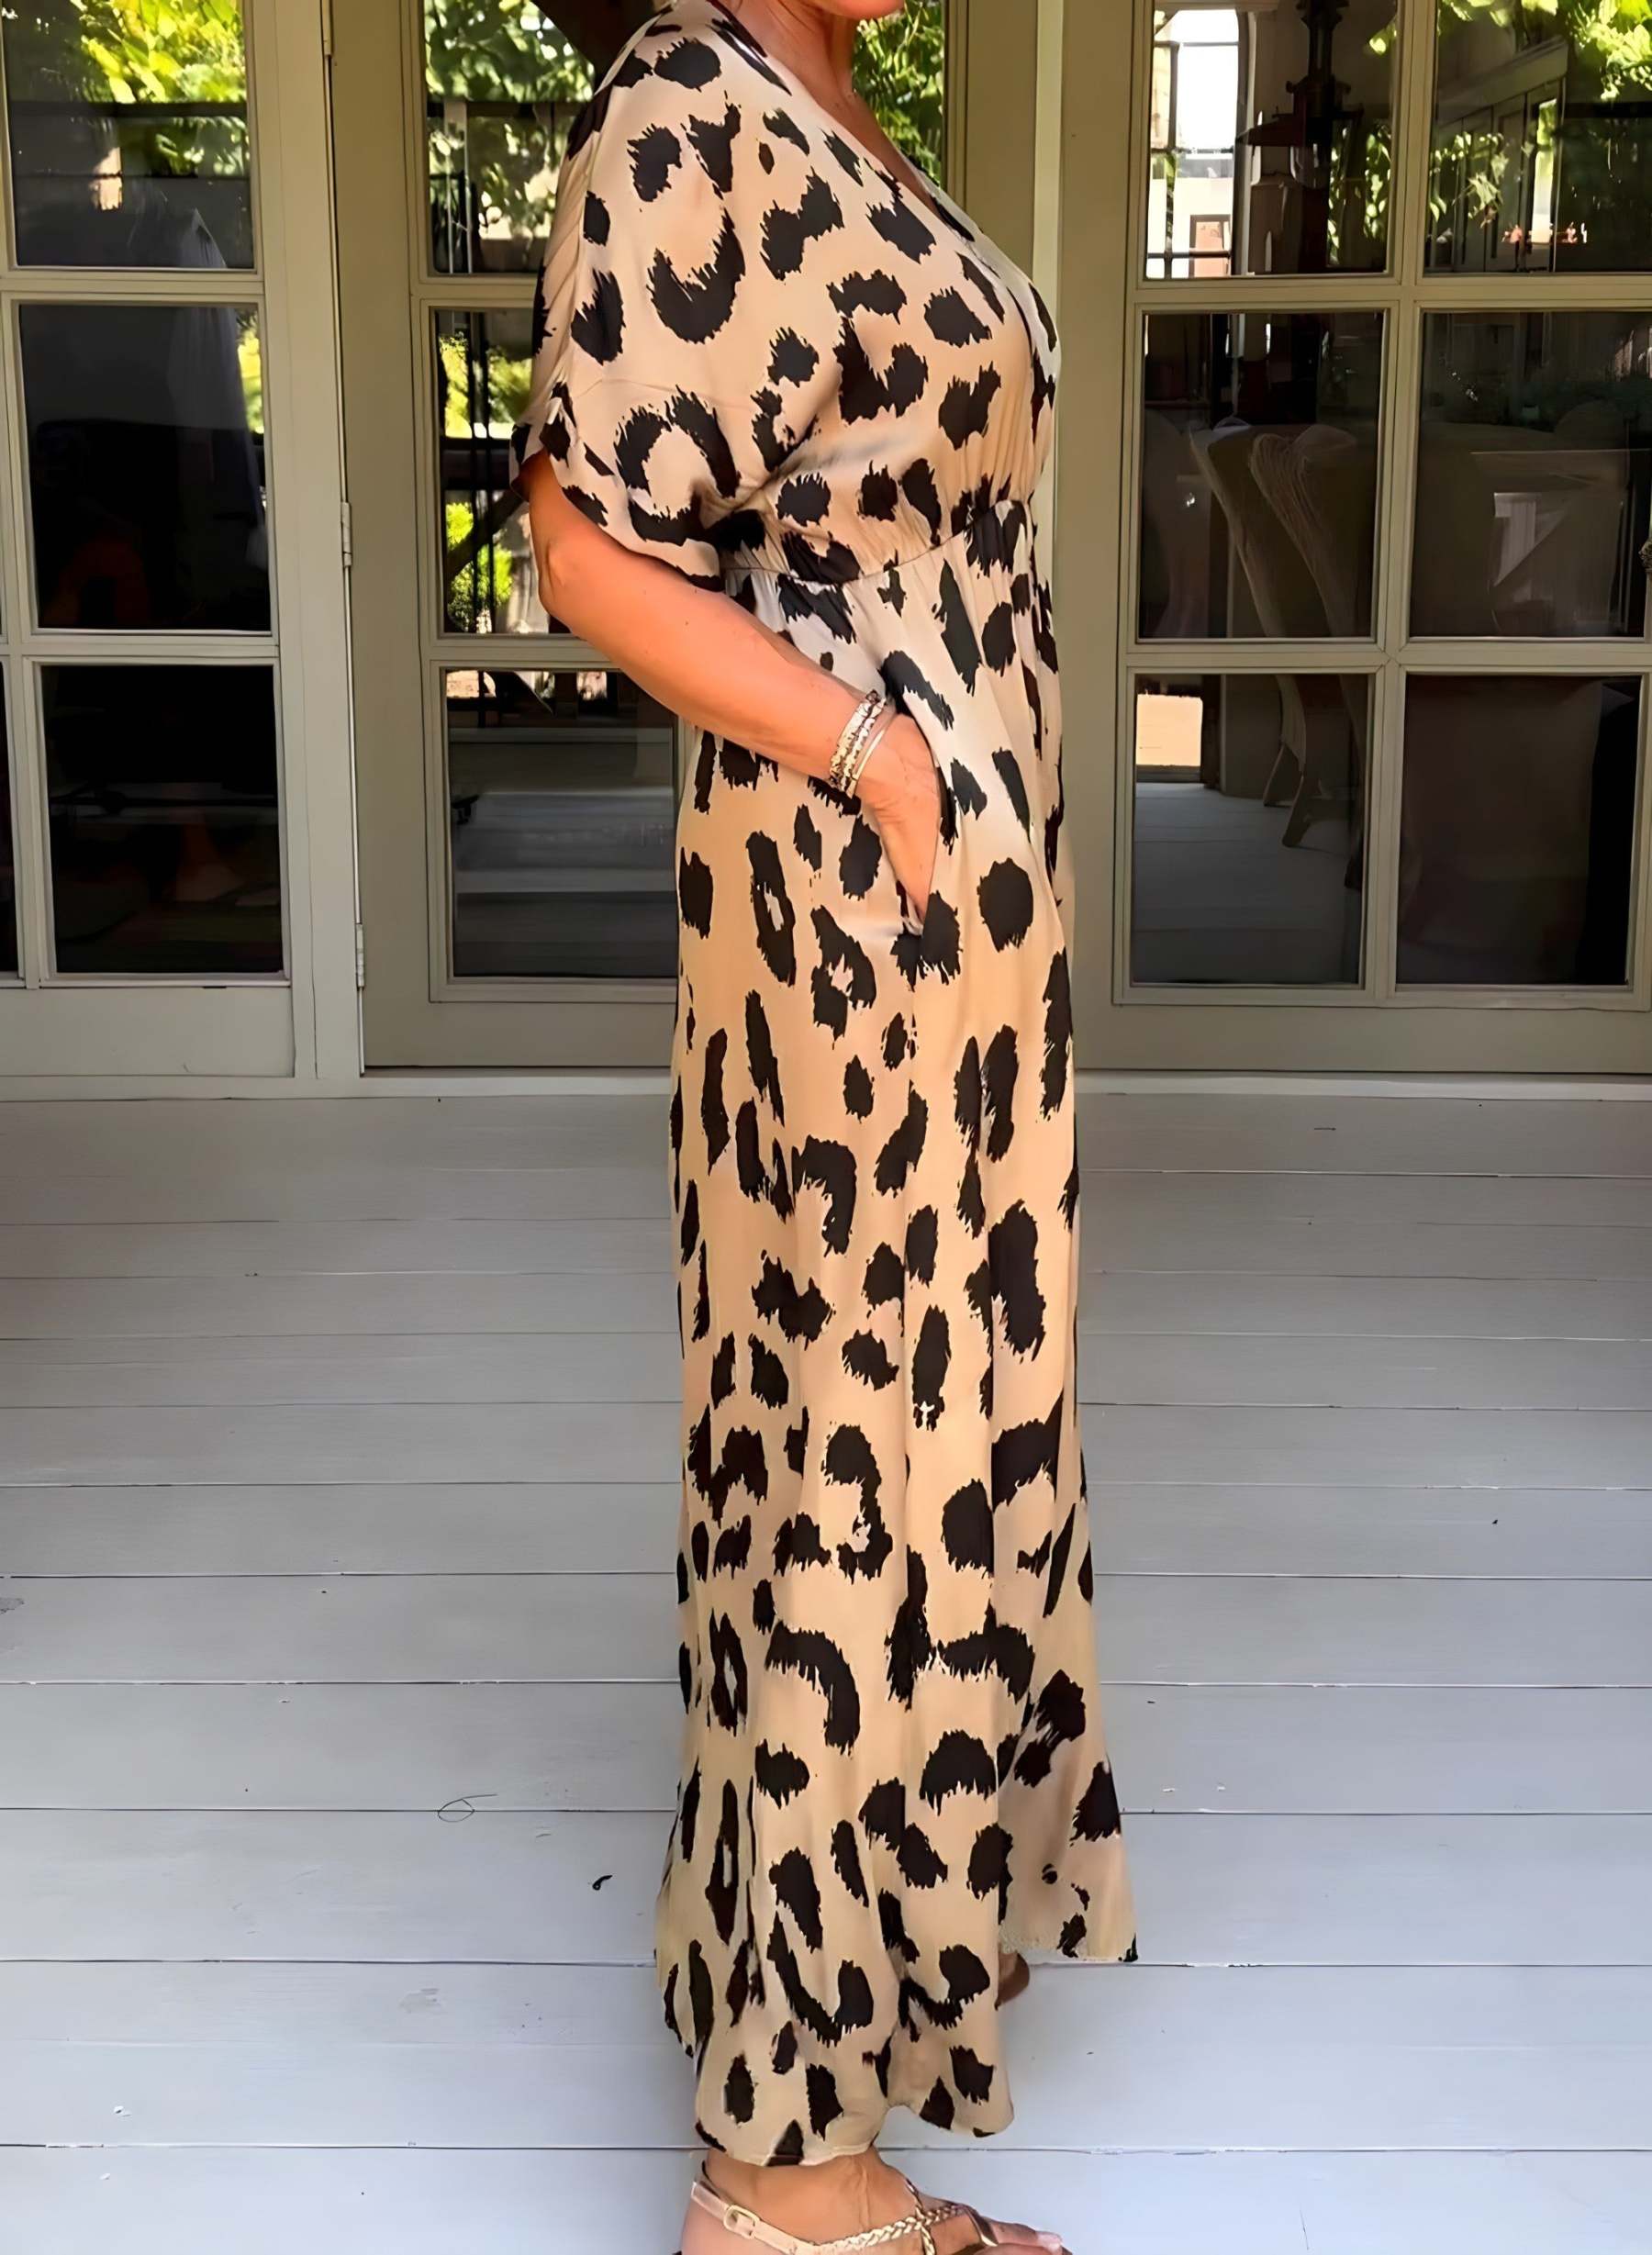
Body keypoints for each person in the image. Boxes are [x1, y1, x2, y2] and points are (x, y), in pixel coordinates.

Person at [512, 4, 1134, 2247]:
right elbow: (585, 548)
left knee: (927, 1429)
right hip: (853, 917)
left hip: (936, 915)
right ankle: (786, 2172)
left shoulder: (826, 99)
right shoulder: (689, 101)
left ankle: (849, 1961)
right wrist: (885, 760)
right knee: (867, 1442)